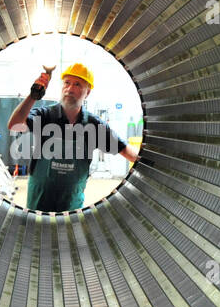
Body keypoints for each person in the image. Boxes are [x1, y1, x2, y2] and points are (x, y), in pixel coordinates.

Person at [7, 62, 139, 212]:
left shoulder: (94, 125)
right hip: (38, 203)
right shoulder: (45, 116)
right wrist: (32, 97)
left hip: (71, 206)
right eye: (67, 83)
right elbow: (14, 125)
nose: (70, 89)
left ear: (87, 92)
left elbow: (126, 151)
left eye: (77, 84)